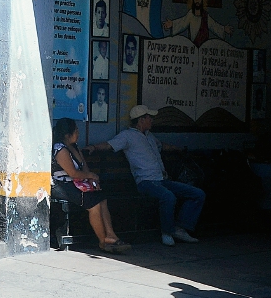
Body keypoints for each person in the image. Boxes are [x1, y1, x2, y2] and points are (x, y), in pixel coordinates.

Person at [89, 105, 204, 246]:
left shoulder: (149, 136)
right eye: (149, 118)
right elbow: (109, 145)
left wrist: (176, 148)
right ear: (141, 120)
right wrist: (93, 147)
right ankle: (167, 232)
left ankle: (180, 228)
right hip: (145, 182)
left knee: (198, 194)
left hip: (162, 179)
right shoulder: (127, 136)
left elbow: (161, 145)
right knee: (168, 196)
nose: (152, 120)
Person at [51, 118, 130, 253]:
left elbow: (84, 169)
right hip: (61, 185)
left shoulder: (74, 147)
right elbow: (73, 173)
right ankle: (102, 242)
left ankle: (111, 236)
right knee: (94, 205)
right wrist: (91, 176)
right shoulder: (60, 149)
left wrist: (92, 182)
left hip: (78, 183)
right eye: (75, 130)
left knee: (101, 198)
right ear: (66, 134)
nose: (78, 132)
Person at [164, 0, 232, 47]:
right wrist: (172, 24)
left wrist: (223, 29)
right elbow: (182, 23)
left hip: (204, 48)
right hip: (194, 47)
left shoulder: (205, 16)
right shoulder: (190, 14)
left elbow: (214, 26)